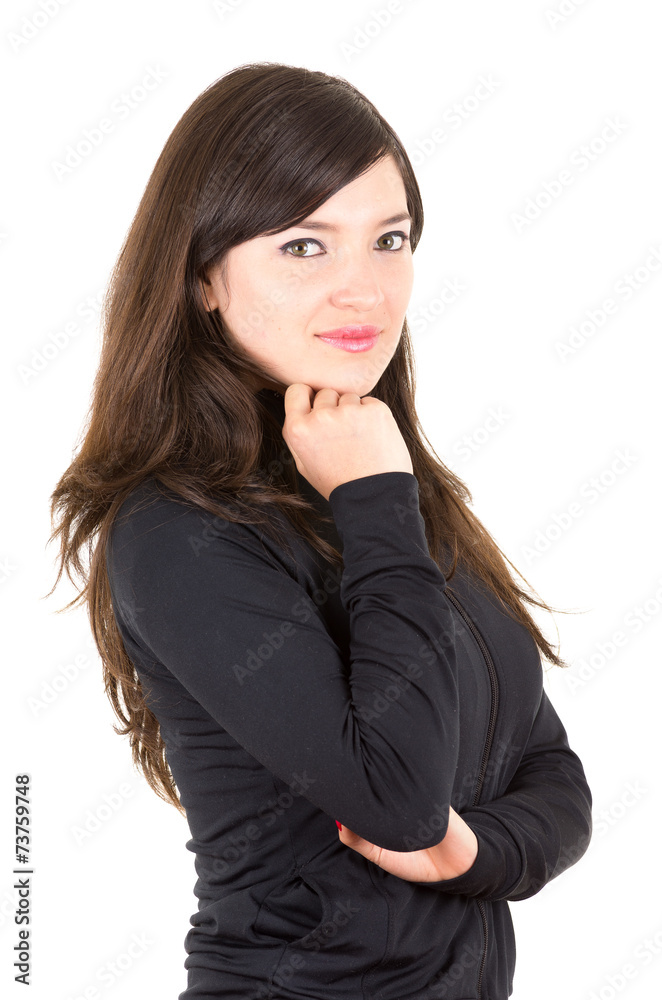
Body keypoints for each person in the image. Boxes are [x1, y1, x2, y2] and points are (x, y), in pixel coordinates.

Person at [48, 62, 592, 999]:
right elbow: (395, 797)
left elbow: (554, 777)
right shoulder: (177, 528)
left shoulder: (375, 479)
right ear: (202, 279)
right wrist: (377, 501)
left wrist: (469, 856)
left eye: (390, 239)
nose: (366, 290)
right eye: (305, 246)